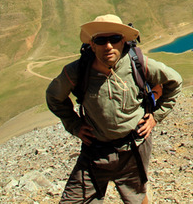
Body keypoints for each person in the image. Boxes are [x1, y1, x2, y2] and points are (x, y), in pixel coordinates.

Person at [46, 14, 182, 204]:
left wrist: (156, 117)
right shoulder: (78, 70)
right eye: (101, 40)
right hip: (95, 151)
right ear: (92, 45)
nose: (108, 46)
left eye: (114, 39)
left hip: (134, 147)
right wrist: (74, 125)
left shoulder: (138, 64)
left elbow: (175, 81)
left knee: (136, 196)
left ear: (123, 41)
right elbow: (54, 97)